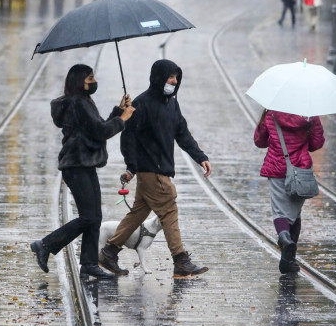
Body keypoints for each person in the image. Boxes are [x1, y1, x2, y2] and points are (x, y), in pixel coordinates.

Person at [99, 59, 212, 278]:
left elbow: (183, 134)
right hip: (152, 170)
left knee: (138, 213)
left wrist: (201, 157)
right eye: (171, 77)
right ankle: (181, 260)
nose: (174, 81)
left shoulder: (172, 104)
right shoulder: (141, 104)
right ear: (159, 77)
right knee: (169, 211)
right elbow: (128, 137)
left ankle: (109, 251)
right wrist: (131, 167)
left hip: (157, 170)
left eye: (177, 77)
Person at [30, 64, 135, 279]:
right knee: (88, 217)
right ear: (80, 81)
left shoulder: (81, 101)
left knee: (95, 217)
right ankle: (45, 244)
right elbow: (102, 131)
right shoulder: (79, 102)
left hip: (83, 164)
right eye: (90, 78)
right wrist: (123, 119)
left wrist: (117, 110)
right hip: (77, 165)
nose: (93, 81)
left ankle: (88, 264)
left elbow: (94, 128)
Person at [254, 109, 325, 273]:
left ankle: (284, 237)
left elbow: (260, 141)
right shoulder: (310, 112)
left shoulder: (271, 111)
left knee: (280, 212)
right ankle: (288, 260)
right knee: (294, 213)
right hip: (300, 169)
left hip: (276, 167)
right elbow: (317, 143)